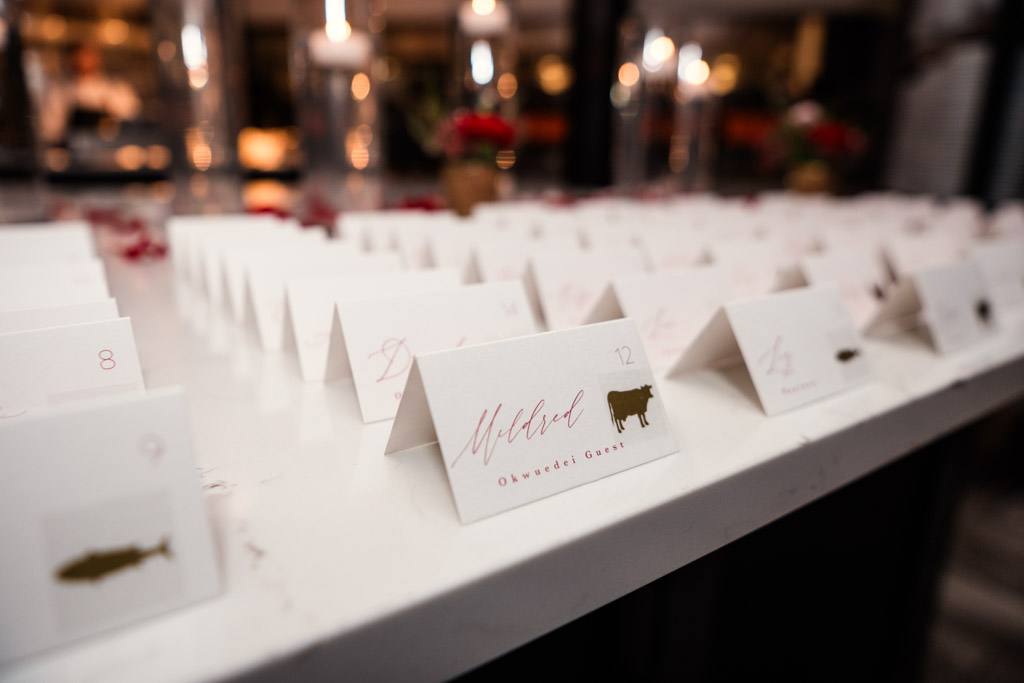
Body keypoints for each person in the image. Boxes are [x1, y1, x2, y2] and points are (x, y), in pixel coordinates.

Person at [39, 42, 141, 145]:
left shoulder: (116, 89)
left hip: (109, 149)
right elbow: (49, 128)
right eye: (78, 56)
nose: (83, 60)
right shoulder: (58, 92)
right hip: (72, 150)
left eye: (87, 56)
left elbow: (132, 119)